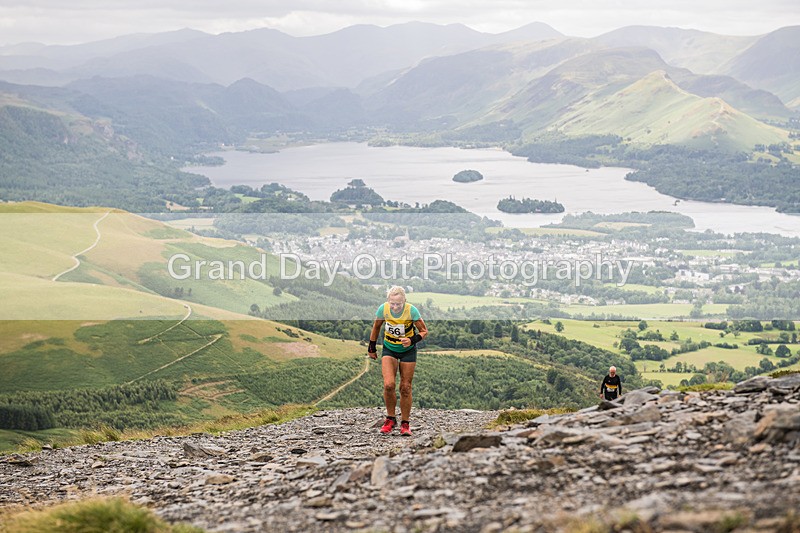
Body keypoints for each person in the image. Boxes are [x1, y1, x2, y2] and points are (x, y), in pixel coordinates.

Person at [368, 286, 428, 436]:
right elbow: (376, 327)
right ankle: (390, 419)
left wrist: (412, 340)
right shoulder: (383, 309)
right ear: (388, 301)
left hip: (408, 351)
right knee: (389, 385)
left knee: (405, 387)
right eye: (392, 303)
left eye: (398, 304)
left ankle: (405, 423)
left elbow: (424, 331)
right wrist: (372, 347)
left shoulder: (411, 311)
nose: (395, 307)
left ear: (404, 302)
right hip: (389, 349)